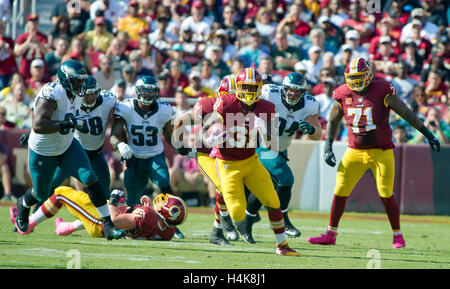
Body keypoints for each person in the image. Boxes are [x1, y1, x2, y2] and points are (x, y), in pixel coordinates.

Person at [307, 57, 441, 249]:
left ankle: (398, 235)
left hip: (381, 151)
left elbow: (406, 113)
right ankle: (330, 234)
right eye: (352, 77)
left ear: (369, 75)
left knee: (385, 193)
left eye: (360, 76)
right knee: (340, 190)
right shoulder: (343, 93)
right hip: (355, 151)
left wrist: (428, 134)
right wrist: (328, 146)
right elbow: (334, 121)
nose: (356, 81)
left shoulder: (382, 90)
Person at [13, 60, 125, 241]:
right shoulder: (52, 92)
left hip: (67, 146)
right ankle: (23, 203)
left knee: (90, 178)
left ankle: (108, 225)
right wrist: (65, 124)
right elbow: (39, 123)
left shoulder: (81, 94)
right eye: (77, 81)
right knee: (41, 193)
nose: (81, 85)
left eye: (82, 80)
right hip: (44, 150)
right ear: (65, 80)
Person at [203, 67, 300, 256]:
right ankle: (222, 226)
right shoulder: (226, 103)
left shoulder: (266, 107)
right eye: (245, 87)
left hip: (251, 160)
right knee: (238, 213)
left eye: (253, 87)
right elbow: (208, 133)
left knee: (272, 200)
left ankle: (282, 245)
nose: (249, 92)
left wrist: (264, 131)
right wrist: (213, 137)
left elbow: (272, 145)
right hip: (228, 164)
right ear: (238, 87)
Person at [236, 72, 322, 243]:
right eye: (290, 90)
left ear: (304, 93)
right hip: (262, 144)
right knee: (286, 178)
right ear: (283, 89)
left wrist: (311, 130)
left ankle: (246, 219)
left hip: (281, 149)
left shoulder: (310, 105)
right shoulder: (269, 93)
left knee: (266, 186)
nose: (293, 94)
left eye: (298, 92)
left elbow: (318, 134)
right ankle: (284, 221)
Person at [110, 75, 188, 238]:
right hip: (134, 157)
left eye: (151, 92)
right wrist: (120, 144)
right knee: (133, 198)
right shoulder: (126, 107)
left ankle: (173, 226)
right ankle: (133, 228)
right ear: (137, 92)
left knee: (165, 185)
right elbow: (115, 134)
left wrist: (182, 149)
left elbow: (168, 135)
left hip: (155, 155)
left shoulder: (164, 110)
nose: (147, 95)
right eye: (144, 92)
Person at [172, 76, 240, 245]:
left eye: (235, 96)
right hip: (207, 154)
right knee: (222, 186)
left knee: (228, 189)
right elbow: (179, 120)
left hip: (228, 155)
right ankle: (225, 222)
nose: (232, 100)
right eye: (228, 96)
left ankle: (217, 231)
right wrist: (180, 145)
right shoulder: (208, 106)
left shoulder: (244, 107)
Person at [9, 187, 187, 241]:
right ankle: (65, 227)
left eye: (164, 202)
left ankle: (28, 223)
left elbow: (115, 220)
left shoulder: (147, 215)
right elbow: (141, 227)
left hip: (101, 223)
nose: (161, 201)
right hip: (113, 226)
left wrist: (114, 200)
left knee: (62, 193)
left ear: (167, 212)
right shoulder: (168, 231)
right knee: (82, 207)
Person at [50, 76, 116, 197]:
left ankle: (100, 216)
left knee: (104, 192)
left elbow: (117, 123)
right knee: (51, 185)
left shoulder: (108, 101)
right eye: (87, 94)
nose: (90, 97)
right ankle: (30, 214)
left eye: (93, 94)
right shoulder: (72, 102)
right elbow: (53, 119)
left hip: (96, 154)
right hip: (73, 152)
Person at [14, 14, 49, 80]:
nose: (33, 24)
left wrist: (36, 41)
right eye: (31, 21)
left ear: (38, 23)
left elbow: (46, 50)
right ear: (28, 23)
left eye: (35, 21)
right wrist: (27, 42)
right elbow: (17, 52)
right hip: (26, 68)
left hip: (39, 69)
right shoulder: (22, 37)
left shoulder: (43, 37)